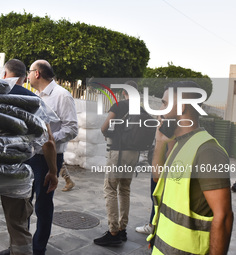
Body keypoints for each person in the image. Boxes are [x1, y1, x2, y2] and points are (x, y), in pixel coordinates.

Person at [148, 81, 233, 254]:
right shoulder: (179, 144)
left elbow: (223, 217)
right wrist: (160, 141)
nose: (160, 108)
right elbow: (158, 180)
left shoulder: (207, 151)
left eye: (164, 103)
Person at [0, 59, 58, 255]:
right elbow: (47, 142)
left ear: (5, 75)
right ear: (24, 77)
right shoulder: (32, 100)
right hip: (16, 170)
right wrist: (53, 171)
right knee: (18, 225)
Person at [27, 59, 78, 255]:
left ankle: (39, 247)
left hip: (48, 160)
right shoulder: (35, 96)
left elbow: (72, 128)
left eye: (30, 72)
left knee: (43, 205)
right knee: (23, 201)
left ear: (37, 73)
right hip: (31, 157)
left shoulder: (61, 95)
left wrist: (48, 140)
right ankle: (21, 245)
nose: (28, 76)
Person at [94, 80, 140, 246]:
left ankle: (113, 231)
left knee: (110, 188)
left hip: (119, 153)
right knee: (125, 189)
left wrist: (109, 134)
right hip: (134, 154)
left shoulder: (119, 106)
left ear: (124, 92)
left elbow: (104, 127)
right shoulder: (141, 109)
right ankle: (122, 229)